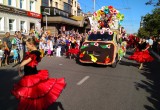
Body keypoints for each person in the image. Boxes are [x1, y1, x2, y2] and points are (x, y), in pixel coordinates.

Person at [11, 38, 66, 110]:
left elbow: (28, 60)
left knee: (31, 94)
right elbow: (28, 61)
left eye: (27, 45)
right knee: (30, 95)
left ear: (31, 44)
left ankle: (32, 107)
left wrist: (19, 66)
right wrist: (21, 69)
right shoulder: (33, 52)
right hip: (28, 74)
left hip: (31, 76)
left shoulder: (35, 53)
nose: (27, 47)